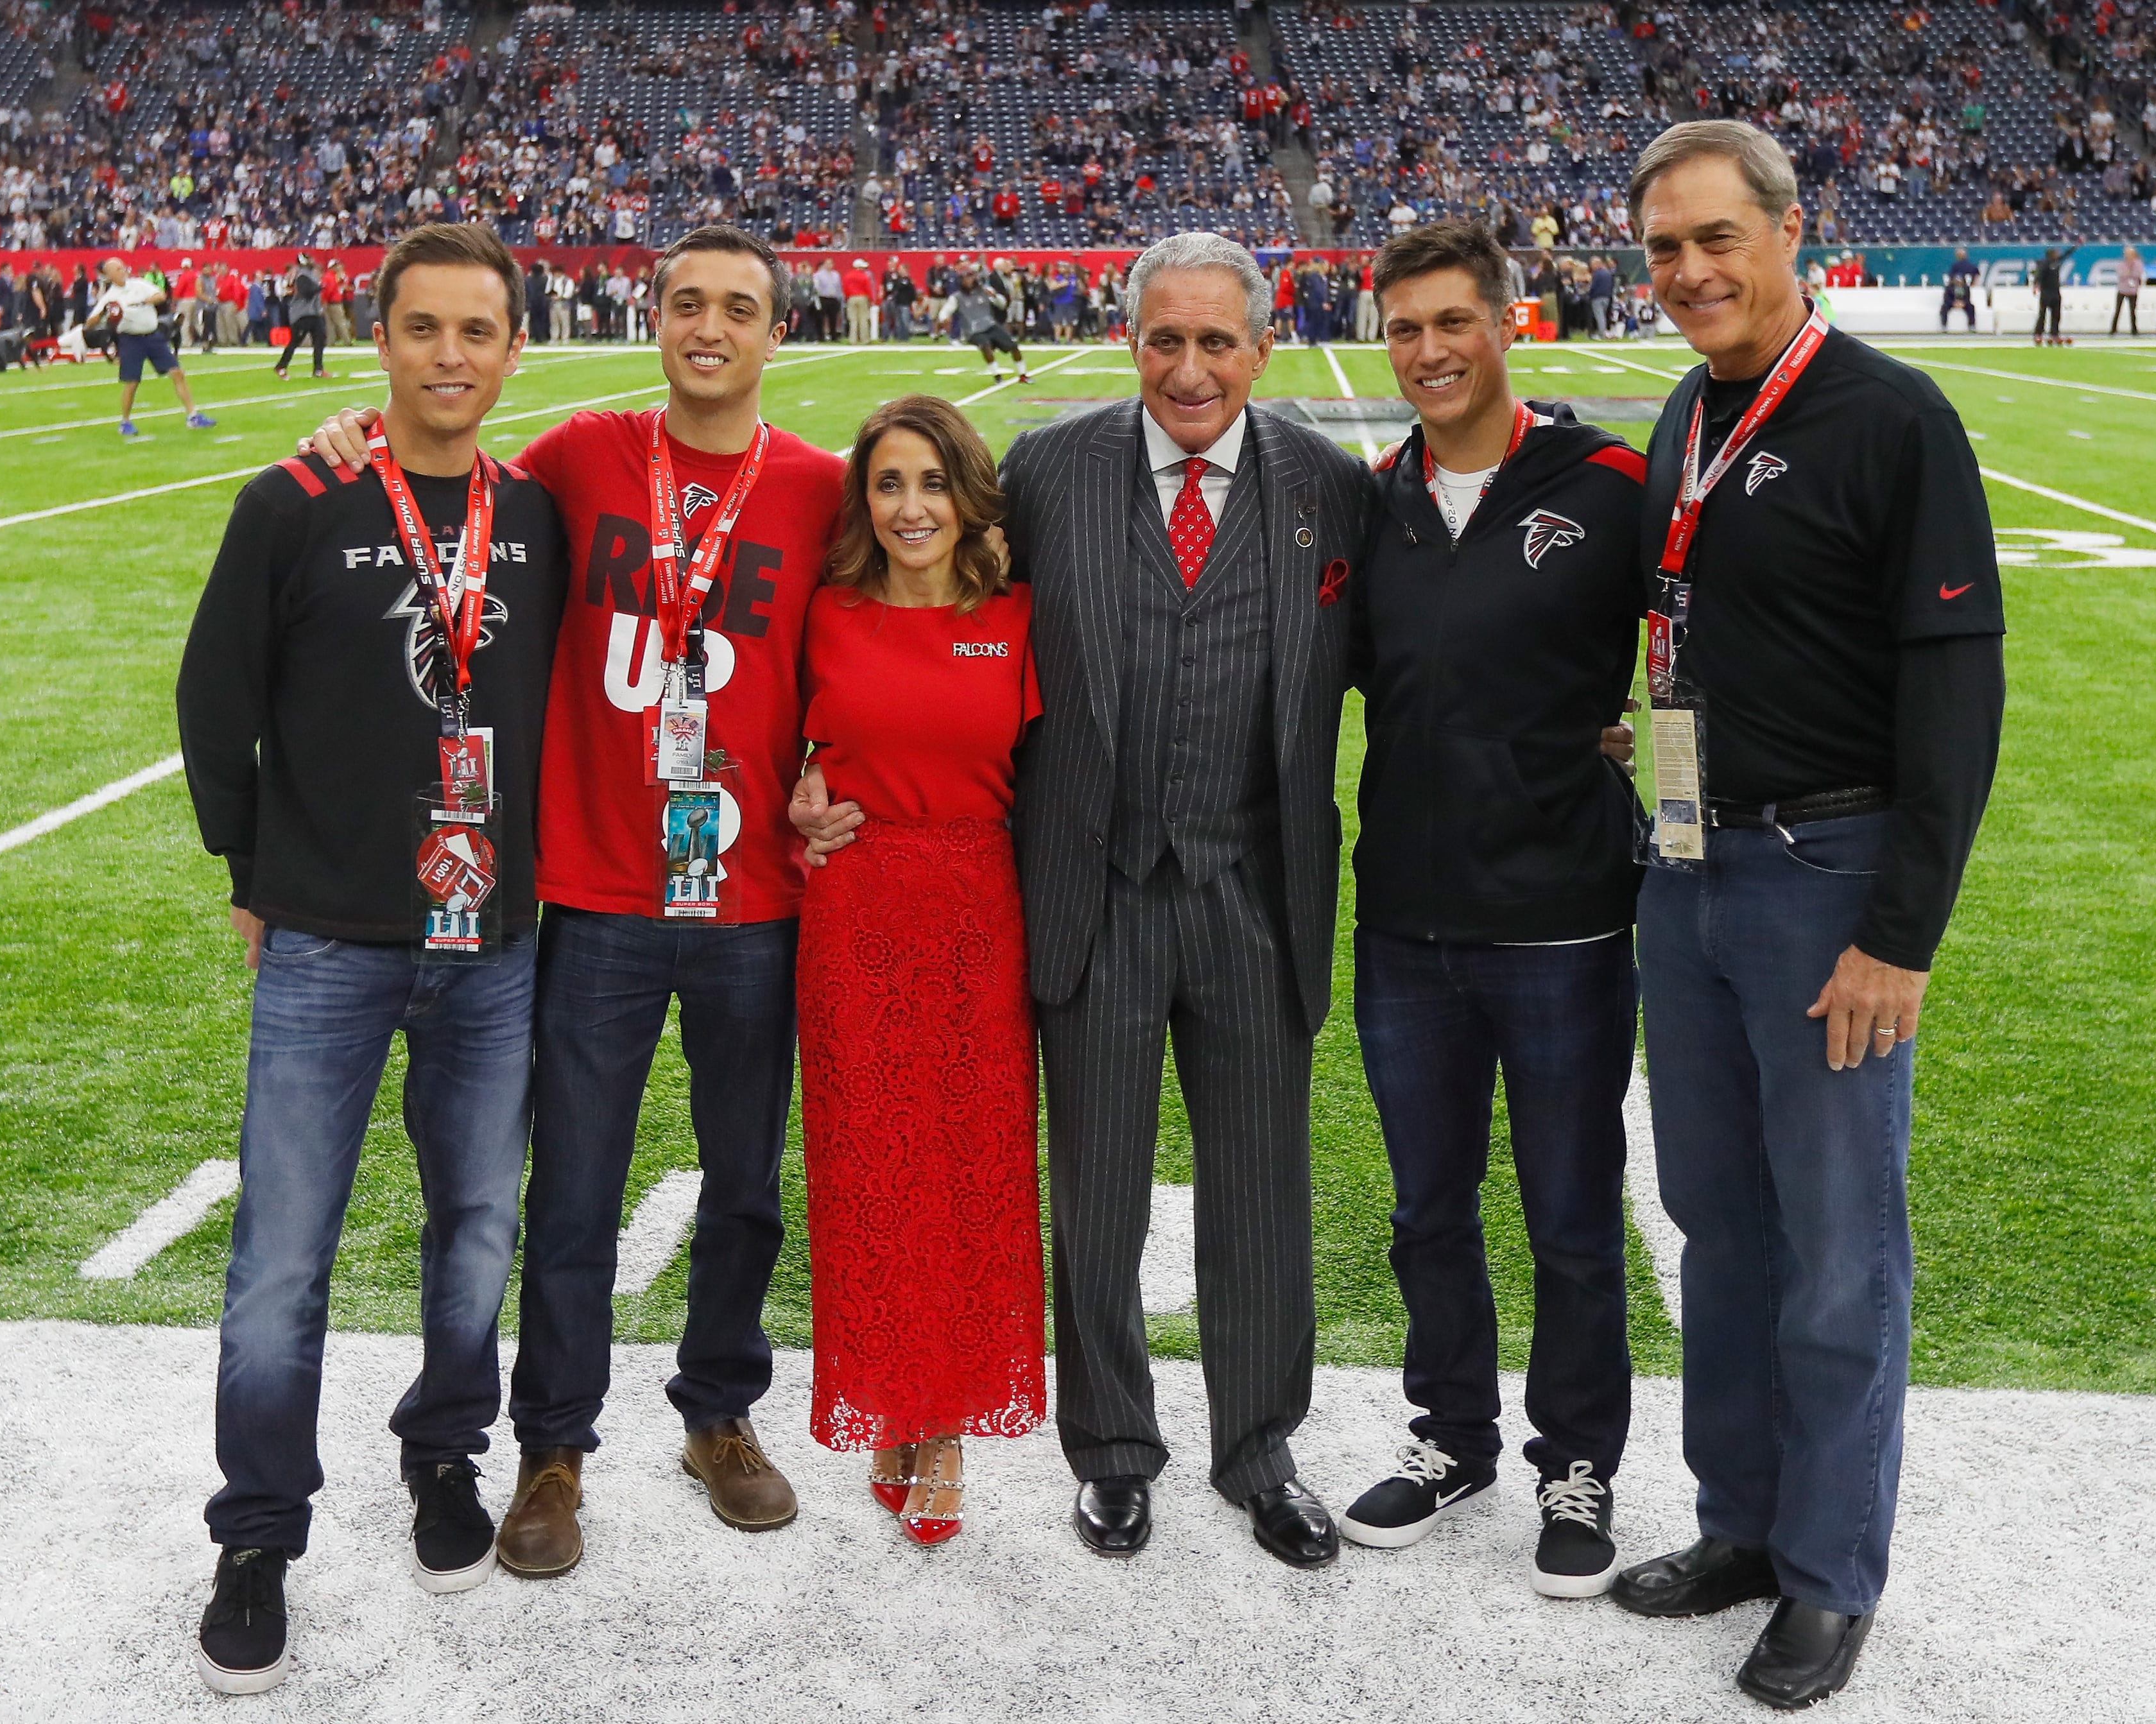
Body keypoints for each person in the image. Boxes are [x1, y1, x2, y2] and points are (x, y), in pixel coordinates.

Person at [816, 231, 1379, 1569]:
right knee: (1098, 1196)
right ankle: (1114, 1451)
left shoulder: (1328, 486)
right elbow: (920, 613)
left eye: (1217, 341)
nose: (1190, 369)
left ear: (1262, 340)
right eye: (1165, 340)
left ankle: (1259, 1449)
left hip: (1256, 886)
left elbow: (1414, 651)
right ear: (1133, 341)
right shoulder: (1051, 471)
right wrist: (809, 760)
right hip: (1094, 889)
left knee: (1260, 1192)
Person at [299, 227, 850, 1576]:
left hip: (755, 899)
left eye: (739, 308)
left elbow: (873, 644)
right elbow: (443, 494)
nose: (709, 327)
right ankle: (553, 1442)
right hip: (594, 893)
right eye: (685, 303)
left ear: (780, 333)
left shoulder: (822, 488)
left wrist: (835, 762)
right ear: (652, 317)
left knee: (742, 1182)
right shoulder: (580, 456)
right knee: (577, 1189)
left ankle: (718, 1411)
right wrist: (350, 437)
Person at [1613, 121, 2003, 1711]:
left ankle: (1831, 1571)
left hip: (1825, 875)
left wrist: (1899, 932)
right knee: (1719, 1223)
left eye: (1716, 238)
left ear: (1791, 232)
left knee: (1838, 1251)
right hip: (1687, 864)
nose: (1690, 272)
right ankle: (1743, 1527)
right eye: (1661, 249)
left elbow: (1953, 690)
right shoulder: (1682, 412)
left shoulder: (1889, 416)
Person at [175, 221, 565, 1696]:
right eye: (422, 329)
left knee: (474, 1221)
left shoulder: (534, 515)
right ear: (378, 338)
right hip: (329, 935)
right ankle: (259, 1532)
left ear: (512, 348)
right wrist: (248, 867)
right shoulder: (295, 499)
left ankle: (444, 1455)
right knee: (282, 1252)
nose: (449, 357)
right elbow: (216, 696)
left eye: (477, 332)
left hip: (493, 939)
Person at [1331, 220, 1647, 1602]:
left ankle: (1576, 1461)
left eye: (1453, 322)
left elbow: (1708, 649)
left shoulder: (1609, 480)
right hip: (1405, 916)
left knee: (1574, 1217)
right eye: (1404, 328)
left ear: (1510, 324)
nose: (1428, 352)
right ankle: (1453, 1433)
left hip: (1566, 917)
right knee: (1425, 1207)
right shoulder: (1375, 503)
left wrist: (1661, 767)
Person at [792, 395, 1048, 1546]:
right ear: (865, 501)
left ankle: (943, 1427)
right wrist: (797, 807)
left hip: (977, 918)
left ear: (968, 496)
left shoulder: (1018, 618)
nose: (911, 507)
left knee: (966, 1174)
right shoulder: (826, 615)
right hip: (854, 916)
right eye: (890, 484)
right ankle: (892, 1403)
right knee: (869, 1179)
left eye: (933, 483)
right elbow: (772, 751)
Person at [84, 257, 214, 438]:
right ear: (110, 275)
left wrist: (144, 301)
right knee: (132, 382)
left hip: (152, 336)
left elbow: (161, 295)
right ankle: (125, 422)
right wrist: (107, 313)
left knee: (177, 372)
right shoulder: (110, 297)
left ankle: (193, 416)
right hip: (130, 340)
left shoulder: (138, 284)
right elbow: (90, 322)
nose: (124, 272)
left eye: (123, 268)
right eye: (119, 270)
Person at [951, 268, 1029, 382]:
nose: (969, 281)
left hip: (990, 325)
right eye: (966, 278)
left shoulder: (985, 291)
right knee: (985, 346)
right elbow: (946, 312)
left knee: (1013, 346)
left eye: (971, 277)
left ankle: (1023, 375)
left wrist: (995, 296)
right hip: (974, 330)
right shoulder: (957, 297)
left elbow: (1002, 305)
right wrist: (944, 319)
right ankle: (997, 376)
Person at [275, 255, 329, 379]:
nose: (312, 261)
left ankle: (318, 369)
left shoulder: (309, 275)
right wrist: (320, 287)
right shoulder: (301, 276)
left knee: (320, 340)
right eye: (309, 260)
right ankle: (281, 366)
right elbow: (307, 293)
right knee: (295, 341)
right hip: (302, 314)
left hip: (314, 313)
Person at [2031, 246, 2073, 345]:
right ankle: (2038, 334)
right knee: (2043, 315)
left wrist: (2076, 246)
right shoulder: (2045, 264)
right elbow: (2039, 276)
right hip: (2046, 293)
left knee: (2056, 315)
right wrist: (2036, 286)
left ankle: (2054, 334)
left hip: (2056, 292)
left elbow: (2067, 254)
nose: (2058, 254)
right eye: (2055, 253)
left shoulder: (2057, 262)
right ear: (2051, 255)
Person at [1940, 246, 1978, 332]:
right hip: (1953, 303)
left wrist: (1963, 303)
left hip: (1963, 303)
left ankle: (1972, 325)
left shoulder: (1966, 288)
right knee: (1944, 307)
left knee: (1971, 307)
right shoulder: (1950, 288)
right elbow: (1947, 299)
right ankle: (1944, 326)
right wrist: (1954, 303)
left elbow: (1968, 298)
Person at [2111, 245, 2144, 335]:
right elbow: (2121, 274)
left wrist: (2129, 274)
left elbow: (2138, 274)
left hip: (2133, 290)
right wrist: (2129, 274)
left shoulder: (2138, 264)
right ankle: (2113, 329)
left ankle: (2134, 330)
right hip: (2122, 289)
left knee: (2133, 311)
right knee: (2118, 310)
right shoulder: (2122, 264)